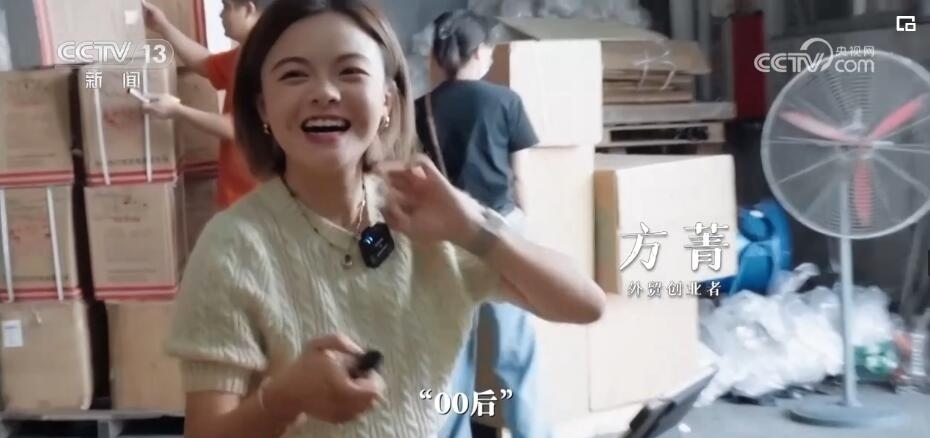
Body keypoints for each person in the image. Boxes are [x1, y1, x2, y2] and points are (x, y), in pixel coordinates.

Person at [163, 0, 607, 437]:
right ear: (263, 107)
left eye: (350, 72)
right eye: (294, 75)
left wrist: (474, 228)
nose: (324, 92)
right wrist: (284, 400)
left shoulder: (429, 213)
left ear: (388, 101)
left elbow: (584, 303)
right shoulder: (233, 246)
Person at [415, 10, 545, 438]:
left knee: (451, 356)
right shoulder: (506, 101)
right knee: (515, 351)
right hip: (499, 232)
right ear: (478, 53)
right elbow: (520, 180)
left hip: (446, 238)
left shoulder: (421, 108)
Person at [140, 0, 271, 208]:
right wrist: (162, 26)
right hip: (239, 193)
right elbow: (206, 63)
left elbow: (238, 127)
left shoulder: (267, 62)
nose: (221, 14)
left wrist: (177, 110)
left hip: (258, 200)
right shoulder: (246, 54)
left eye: (226, 6)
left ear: (248, 9)